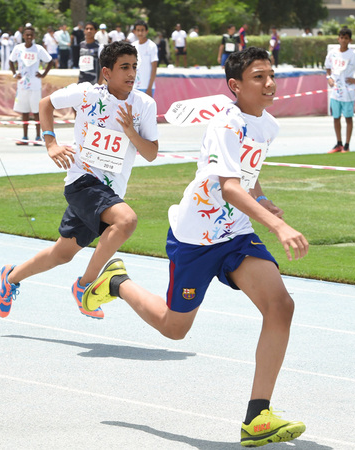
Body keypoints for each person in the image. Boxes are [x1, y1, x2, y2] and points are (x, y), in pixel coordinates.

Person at [79, 46, 309, 448]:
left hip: (235, 233)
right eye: (259, 77)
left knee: (281, 306)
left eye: (272, 75)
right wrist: (277, 223)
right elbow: (229, 185)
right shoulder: (225, 125)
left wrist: (263, 198)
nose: (270, 83)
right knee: (175, 328)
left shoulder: (267, 126)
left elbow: (246, 176)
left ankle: (258, 417)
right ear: (236, 85)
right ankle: (117, 282)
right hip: (195, 236)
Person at [0, 41, 159, 320]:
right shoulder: (87, 93)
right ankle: (84, 287)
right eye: (124, 67)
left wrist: (131, 132)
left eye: (134, 67)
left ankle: (10, 278)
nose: (132, 73)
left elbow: (151, 153)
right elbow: (45, 103)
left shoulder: (144, 104)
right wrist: (50, 143)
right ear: (106, 72)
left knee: (61, 254)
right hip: (82, 181)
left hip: (109, 191)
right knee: (126, 221)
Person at [325, 26, 355, 153]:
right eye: (341, 38)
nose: (343, 40)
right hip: (335, 91)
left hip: (348, 91)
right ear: (338, 39)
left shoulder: (354, 54)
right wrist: (329, 78)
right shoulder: (333, 53)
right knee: (336, 117)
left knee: (348, 117)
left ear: (350, 40)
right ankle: (338, 143)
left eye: (346, 38)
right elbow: (327, 67)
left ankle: (347, 145)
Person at [9, 26, 53, 146]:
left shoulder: (38, 49)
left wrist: (43, 74)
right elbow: (11, 60)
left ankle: (38, 137)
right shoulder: (18, 48)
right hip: (22, 85)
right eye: (27, 35)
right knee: (24, 111)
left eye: (31, 35)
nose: (29, 37)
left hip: (35, 85)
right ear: (23, 36)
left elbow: (50, 61)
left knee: (36, 112)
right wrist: (14, 74)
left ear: (34, 37)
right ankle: (25, 137)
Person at [131, 20, 158, 97]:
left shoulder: (152, 46)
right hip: (134, 87)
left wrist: (149, 88)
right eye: (138, 30)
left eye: (142, 30)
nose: (140, 33)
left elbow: (154, 68)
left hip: (147, 87)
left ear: (147, 31)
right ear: (134, 31)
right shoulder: (133, 46)